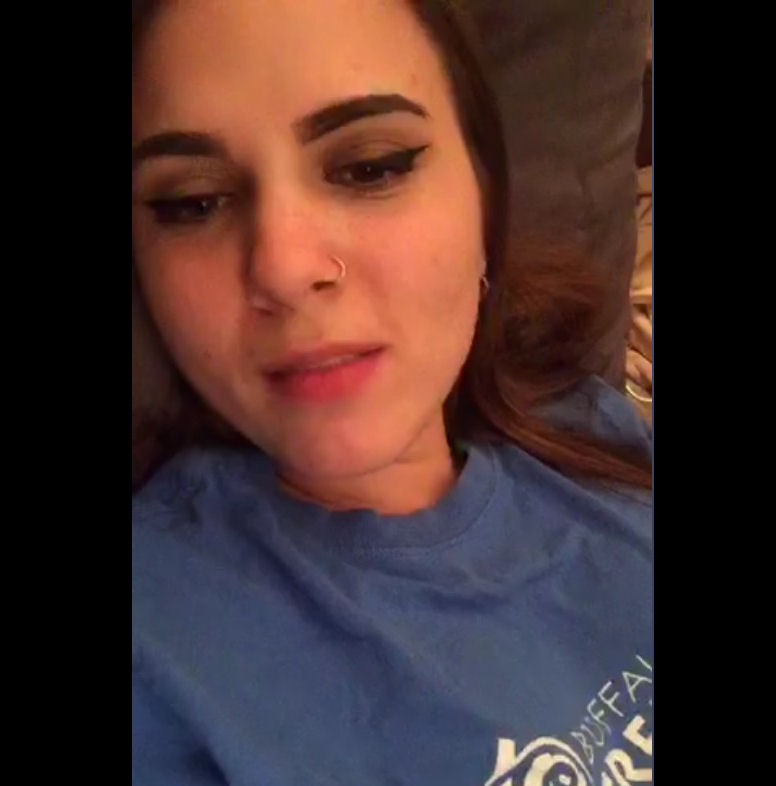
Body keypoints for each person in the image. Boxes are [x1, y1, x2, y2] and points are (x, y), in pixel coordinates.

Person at [132, 1, 653, 783]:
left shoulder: (588, 425)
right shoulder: (159, 645)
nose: (283, 267)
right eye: (193, 203)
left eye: (371, 166)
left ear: (485, 201)